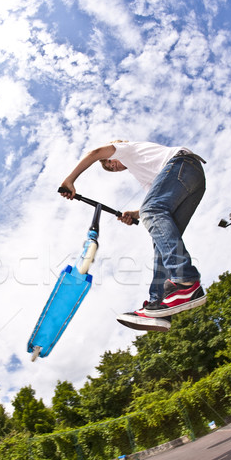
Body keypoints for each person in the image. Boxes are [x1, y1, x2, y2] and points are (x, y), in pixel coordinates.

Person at [60, 140, 207, 333]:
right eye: (110, 169)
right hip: (193, 181)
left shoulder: (127, 149)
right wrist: (134, 214)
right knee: (160, 242)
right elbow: (156, 202)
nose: (112, 167)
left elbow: (95, 151)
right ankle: (159, 308)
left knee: (151, 211)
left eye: (109, 163)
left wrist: (69, 180)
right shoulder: (143, 172)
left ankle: (186, 281)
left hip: (183, 165)